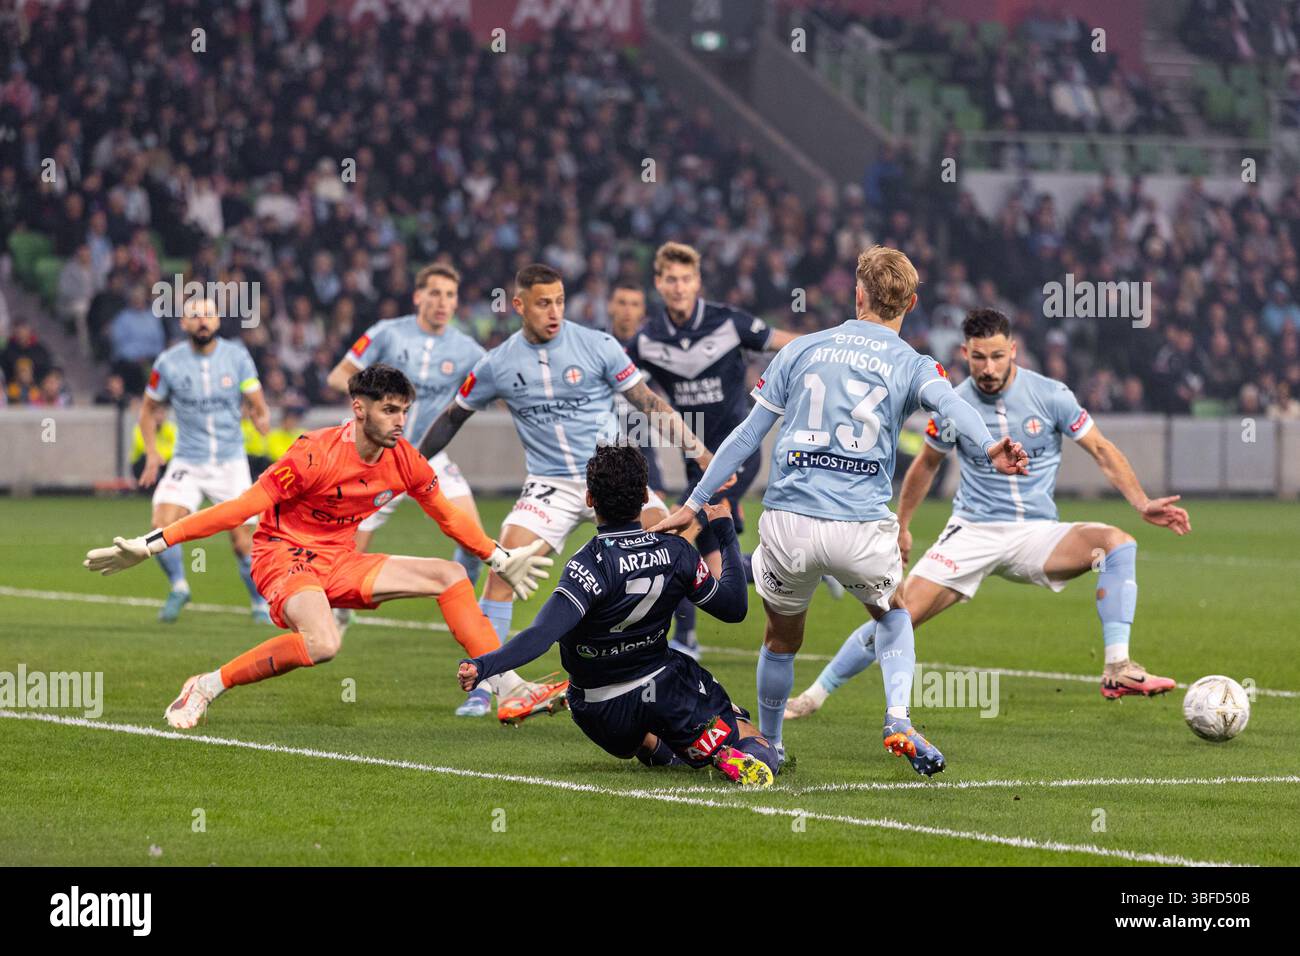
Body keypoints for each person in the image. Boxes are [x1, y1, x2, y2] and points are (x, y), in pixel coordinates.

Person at [652, 247, 1029, 776]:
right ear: (912, 303)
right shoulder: (914, 364)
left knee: (781, 640)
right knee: (895, 612)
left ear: (858, 295)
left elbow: (745, 436)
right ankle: (897, 716)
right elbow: (952, 406)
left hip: (789, 523)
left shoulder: (802, 348)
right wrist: (990, 446)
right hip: (859, 524)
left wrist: (694, 503)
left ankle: (772, 744)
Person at [84, 364, 557, 729]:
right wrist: (151, 544)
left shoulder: (406, 461)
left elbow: (449, 517)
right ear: (359, 408)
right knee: (324, 642)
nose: (399, 421)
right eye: (389, 410)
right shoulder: (312, 454)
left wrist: (496, 556)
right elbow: (240, 508)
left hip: (340, 559)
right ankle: (206, 685)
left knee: (450, 576)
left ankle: (509, 687)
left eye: (404, 411)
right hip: (283, 556)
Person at [786, 309, 1187, 718]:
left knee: (1117, 545)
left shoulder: (1052, 396)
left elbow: (1101, 449)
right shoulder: (952, 403)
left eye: (997, 356)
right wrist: (902, 526)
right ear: (965, 352)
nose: (989, 368)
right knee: (897, 614)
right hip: (972, 533)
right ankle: (814, 696)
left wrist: (1141, 502)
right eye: (979, 357)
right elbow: (926, 464)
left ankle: (1117, 667)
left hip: (1037, 535)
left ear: (1013, 350)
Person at [418, 263, 723, 721]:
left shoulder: (597, 345)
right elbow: (452, 418)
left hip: (611, 477)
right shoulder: (497, 363)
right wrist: (410, 466)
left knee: (673, 545)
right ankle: (492, 687)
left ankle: (661, 655)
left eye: (559, 300)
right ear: (518, 305)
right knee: (501, 571)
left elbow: (651, 405)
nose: (554, 311)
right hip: (550, 484)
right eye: (543, 303)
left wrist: (700, 453)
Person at [458, 444, 778, 786]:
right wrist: (725, 533)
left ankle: (668, 748)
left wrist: (483, 667)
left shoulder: (588, 564)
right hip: (666, 687)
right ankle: (724, 751)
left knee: (647, 738)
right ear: (645, 497)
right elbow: (733, 609)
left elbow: (541, 634)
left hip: (600, 710)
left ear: (589, 500)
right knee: (757, 744)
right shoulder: (676, 551)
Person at [625, 242, 828, 661]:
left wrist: (834, 348)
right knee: (712, 565)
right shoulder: (647, 340)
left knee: (679, 540)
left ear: (697, 282)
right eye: (670, 280)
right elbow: (636, 394)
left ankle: (684, 639)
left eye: (686, 279)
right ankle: (806, 564)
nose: (679, 287)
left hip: (739, 451)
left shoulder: (729, 323)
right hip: (695, 458)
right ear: (658, 284)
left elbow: (788, 342)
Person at [137, 297, 274, 623]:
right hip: (188, 460)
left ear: (217, 321)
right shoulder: (168, 363)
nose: (202, 320)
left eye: (208, 315)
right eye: (194, 316)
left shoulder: (237, 356)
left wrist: (261, 416)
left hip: (229, 463)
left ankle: (259, 604)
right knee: (161, 527)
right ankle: (180, 586)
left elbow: (256, 400)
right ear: (183, 324)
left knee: (243, 543)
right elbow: (147, 410)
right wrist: (153, 452)